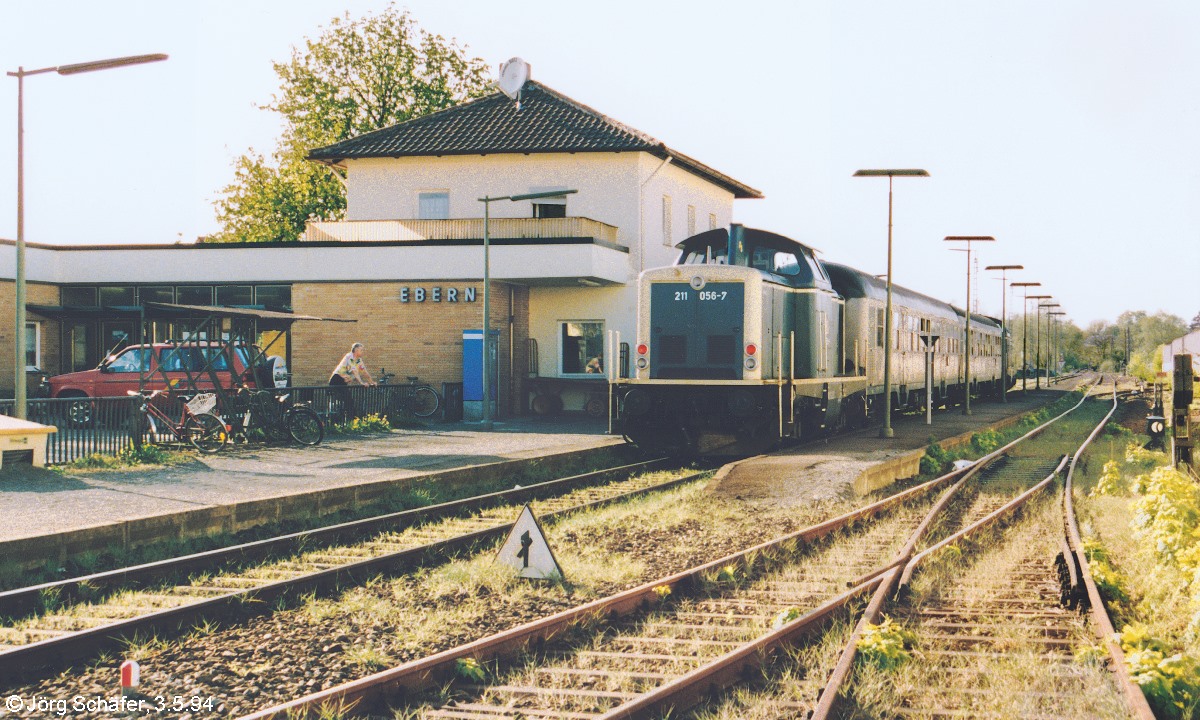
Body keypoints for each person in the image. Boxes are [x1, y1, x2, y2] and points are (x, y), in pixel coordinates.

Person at [329, 342, 375, 418]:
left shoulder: (358, 360)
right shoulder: (349, 356)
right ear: (356, 350)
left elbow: (364, 371)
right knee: (346, 402)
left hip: (342, 382)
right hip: (336, 379)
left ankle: (349, 420)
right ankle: (345, 420)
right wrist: (361, 383)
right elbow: (354, 371)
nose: (362, 351)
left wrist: (372, 382)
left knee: (348, 401)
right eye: (361, 350)